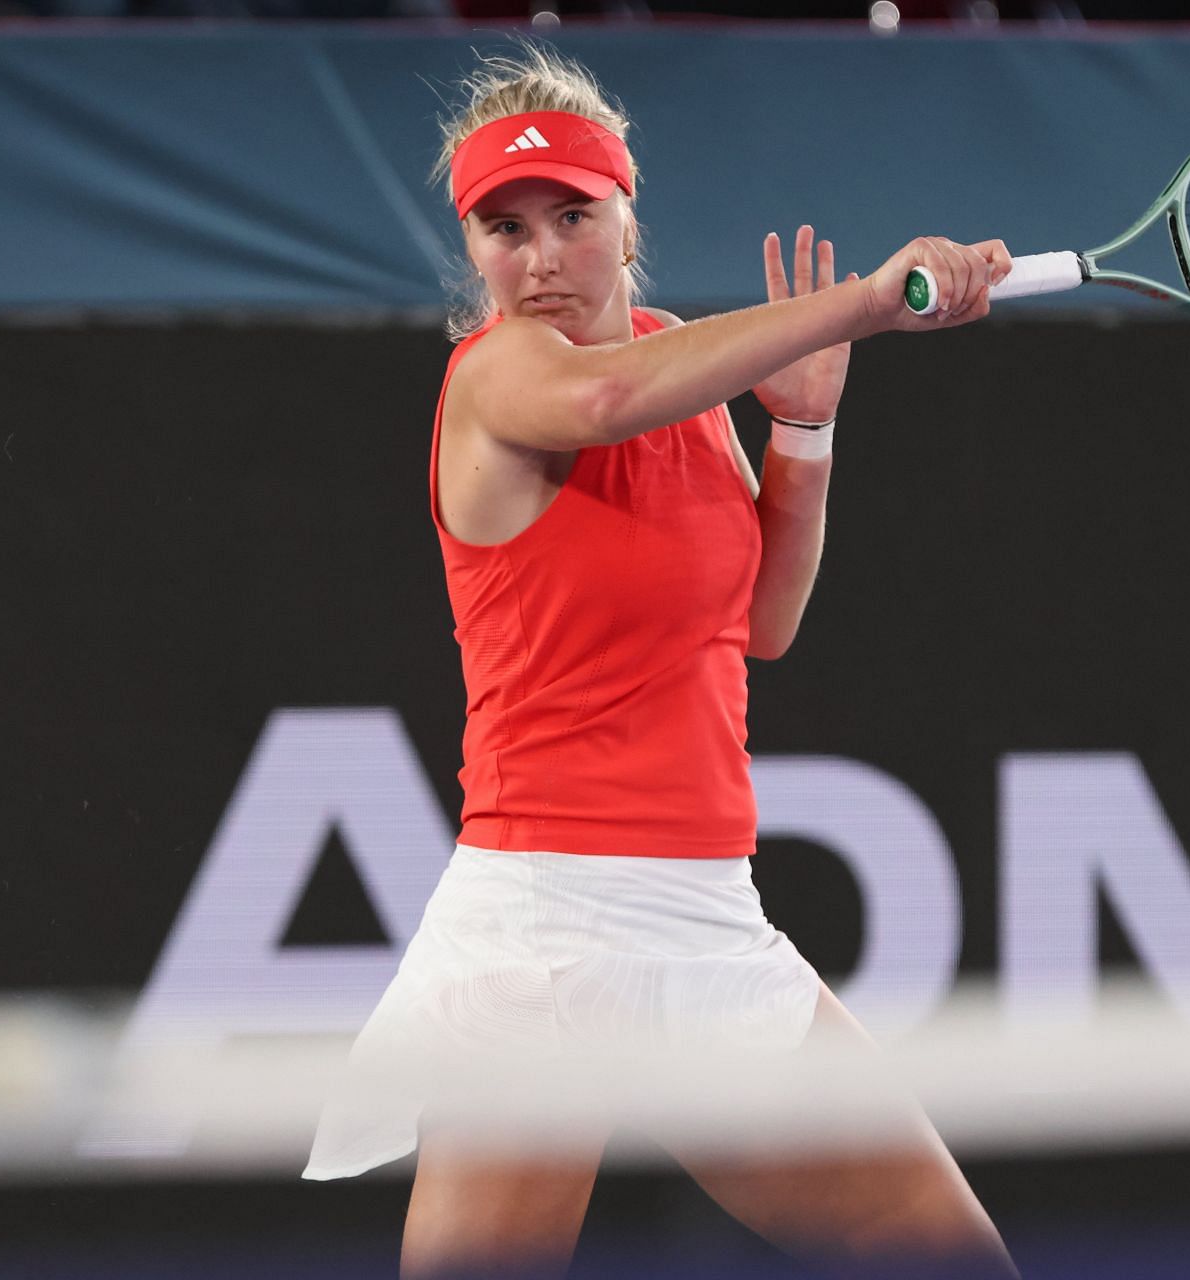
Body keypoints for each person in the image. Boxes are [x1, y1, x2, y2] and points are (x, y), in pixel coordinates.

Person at [303, 43, 1018, 1280]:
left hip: (702, 918)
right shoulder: (498, 376)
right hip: (538, 928)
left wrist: (803, 425)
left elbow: (761, 622)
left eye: (572, 218)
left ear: (626, 221)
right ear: (471, 249)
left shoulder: (685, 363)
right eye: (504, 228)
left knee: (942, 1254)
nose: (537, 260)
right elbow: (594, 404)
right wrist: (864, 297)